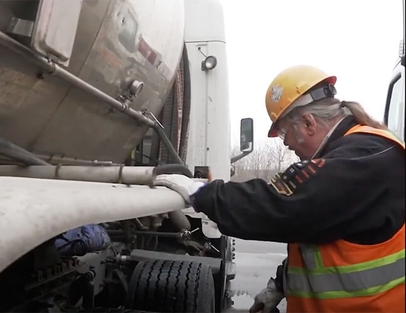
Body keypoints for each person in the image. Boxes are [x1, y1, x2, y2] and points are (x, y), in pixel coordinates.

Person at [155, 65, 405, 313]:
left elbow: (282, 205)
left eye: (284, 131)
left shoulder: (366, 157)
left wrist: (201, 193)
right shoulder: (358, 157)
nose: (285, 143)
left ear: (308, 123)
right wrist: (280, 285)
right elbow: (327, 236)